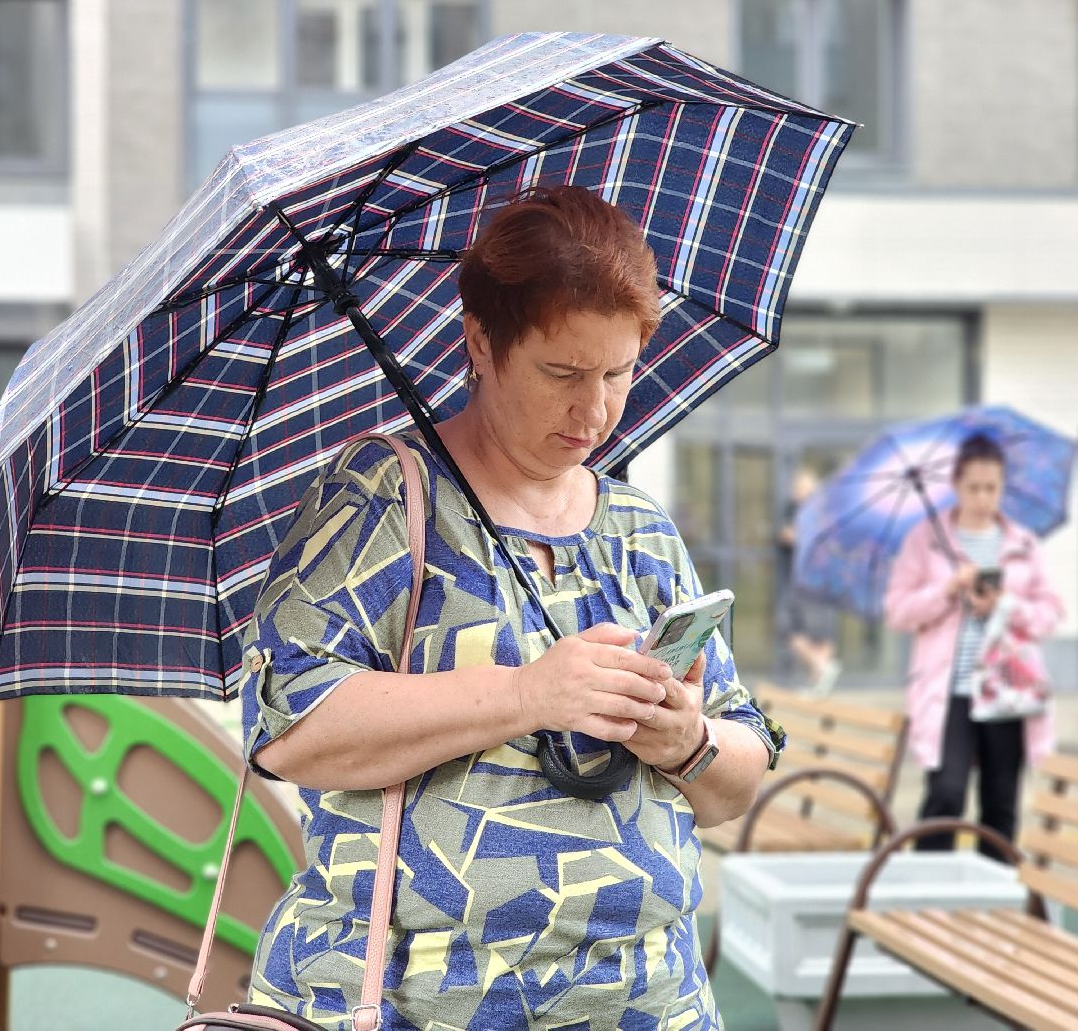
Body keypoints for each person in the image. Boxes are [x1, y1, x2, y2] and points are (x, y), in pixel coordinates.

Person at [239, 185, 780, 1030]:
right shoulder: (382, 497)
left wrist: (688, 741)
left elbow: (734, 780)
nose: (594, 410)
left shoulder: (638, 527)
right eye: (562, 373)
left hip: (651, 999)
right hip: (422, 1002)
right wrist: (529, 695)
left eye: (618, 372)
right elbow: (288, 731)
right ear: (481, 344)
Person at [883, 432, 1063, 860]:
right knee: (945, 795)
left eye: (992, 488)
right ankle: (927, 902)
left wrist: (1006, 605)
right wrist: (946, 591)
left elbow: (1051, 612)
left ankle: (993, 909)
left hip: (1006, 690)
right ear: (957, 486)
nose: (983, 497)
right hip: (950, 691)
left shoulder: (1022, 544)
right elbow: (899, 611)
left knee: (1001, 804)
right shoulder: (925, 540)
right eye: (974, 487)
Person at [775, 466, 842, 696]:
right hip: (798, 582)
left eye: (802, 487)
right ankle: (822, 670)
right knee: (788, 628)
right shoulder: (791, 511)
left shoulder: (823, 514)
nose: (797, 491)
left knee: (822, 632)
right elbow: (785, 536)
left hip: (818, 582)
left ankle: (819, 683)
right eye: (796, 487)